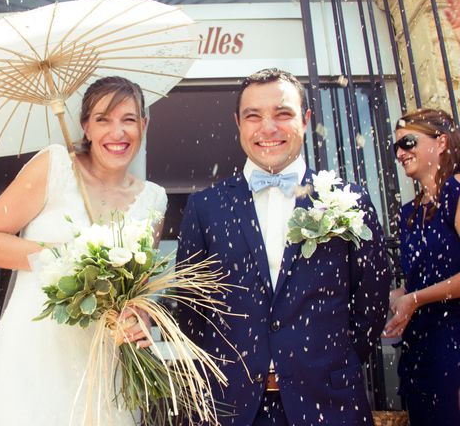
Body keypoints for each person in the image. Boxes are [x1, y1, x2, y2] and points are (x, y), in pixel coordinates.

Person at [177, 68, 390, 425]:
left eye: (283, 113)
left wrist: (328, 362)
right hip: (232, 406)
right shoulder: (205, 207)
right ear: (238, 123)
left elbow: (371, 301)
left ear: (305, 119)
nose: (268, 128)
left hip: (329, 403)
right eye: (254, 116)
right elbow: (189, 310)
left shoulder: (348, 199)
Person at [0, 76, 167, 425]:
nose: (116, 133)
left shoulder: (153, 199)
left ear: (144, 125)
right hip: (35, 353)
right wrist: (68, 256)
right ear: (85, 126)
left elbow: (139, 292)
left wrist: (140, 319)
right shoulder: (54, 166)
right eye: (103, 119)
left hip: (103, 362)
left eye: (129, 120)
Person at [383, 108, 460, 425]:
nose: (401, 153)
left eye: (408, 142)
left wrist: (414, 299)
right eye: (396, 147)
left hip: (454, 341)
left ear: (440, 142)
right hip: (420, 346)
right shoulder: (409, 212)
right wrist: (396, 295)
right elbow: (418, 279)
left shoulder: (457, 192)